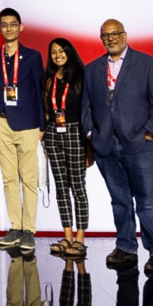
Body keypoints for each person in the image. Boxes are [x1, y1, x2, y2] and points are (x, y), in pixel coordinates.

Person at [82, 19, 153, 275]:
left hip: (142, 145)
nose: (111, 38)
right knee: (119, 200)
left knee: (149, 201)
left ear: (125, 35)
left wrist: (151, 133)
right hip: (106, 146)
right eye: (105, 35)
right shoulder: (92, 69)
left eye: (115, 33)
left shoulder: (147, 64)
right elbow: (86, 105)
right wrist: (91, 133)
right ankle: (126, 246)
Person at [0, 7, 45, 252]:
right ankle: (15, 226)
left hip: (28, 123)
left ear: (21, 27)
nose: (8, 28)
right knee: (9, 179)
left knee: (29, 179)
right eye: (4, 24)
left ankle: (29, 229)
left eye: (13, 24)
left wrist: (42, 125)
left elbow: (40, 91)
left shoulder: (32, 56)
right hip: (2, 122)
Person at [43, 38, 89, 258]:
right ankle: (67, 236)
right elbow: (46, 107)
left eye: (61, 51)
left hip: (74, 132)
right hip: (53, 132)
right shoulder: (49, 78)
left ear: (69, 52)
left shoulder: (80, 76)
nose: (57, 55)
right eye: (53, 52)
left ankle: (80, 238)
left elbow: (87, 108)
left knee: (77, 187)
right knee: (61, 187)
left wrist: (89, 142)